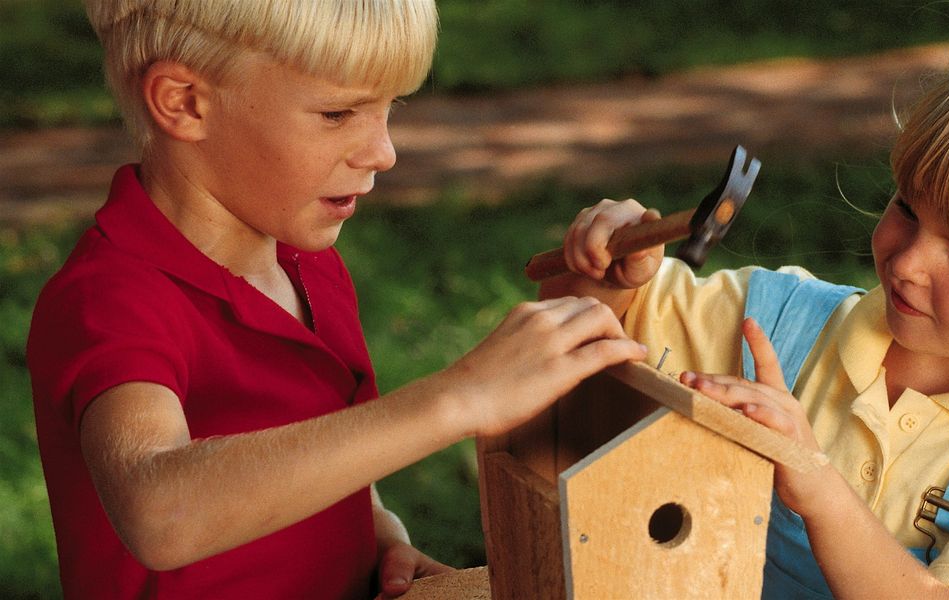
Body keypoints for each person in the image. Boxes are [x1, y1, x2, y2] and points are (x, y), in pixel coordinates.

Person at [544, 17, 949, 599]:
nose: (908, 262)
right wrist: (603, 274)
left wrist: (818, 484)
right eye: (907, 209)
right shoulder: (770, 320)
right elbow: (564, 346)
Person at [25, 1, 646, 598]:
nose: (383, 151)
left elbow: (324, 448)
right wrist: (459, 397)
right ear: (185, 103)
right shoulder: (112, 297)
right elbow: (158, 513)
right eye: (337, 114)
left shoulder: (311, 268)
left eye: (388, 110)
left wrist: (377, 534)